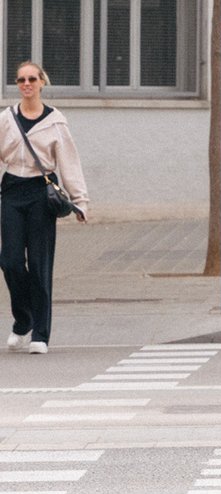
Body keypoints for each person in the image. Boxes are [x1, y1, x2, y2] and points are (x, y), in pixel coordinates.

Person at [1, 61, 88, 355]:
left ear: (41, 82)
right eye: (21, 80)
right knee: (10, 261)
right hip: (12, 190)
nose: (27, 84)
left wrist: (80, 202)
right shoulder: (7, 119)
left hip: (41, 193)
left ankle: (41, 332)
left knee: (39, 265)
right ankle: (23, 319)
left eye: (32, 79)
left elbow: (69, 162)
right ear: (18, 84)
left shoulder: (55, 122)